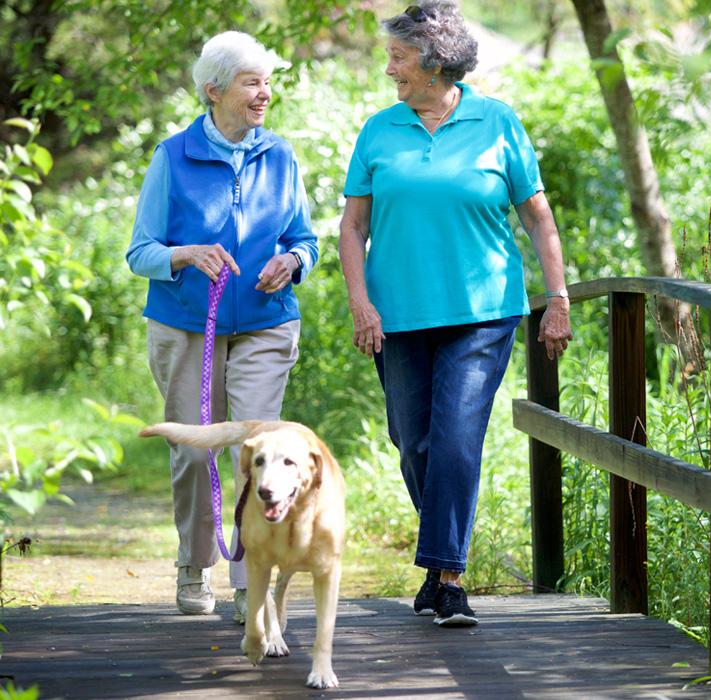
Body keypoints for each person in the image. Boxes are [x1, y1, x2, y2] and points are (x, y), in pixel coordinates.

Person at [339, 0, 572, 627]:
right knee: (412, 443)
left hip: (482, 310)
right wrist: (360, 302)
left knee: (455, 440)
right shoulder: (379, 131)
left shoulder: (498, 123)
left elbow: (538, 218)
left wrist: (558, 299)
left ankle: (447, 580)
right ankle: (438, 558)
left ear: (436, 64)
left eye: (398, 58)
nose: (390, 69)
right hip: (397, 314)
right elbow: (353, 225)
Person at [126, 31, 318, 623]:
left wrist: (293, 262)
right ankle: (193, 565)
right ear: (213, 90)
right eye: (251, 82)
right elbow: (141, 253)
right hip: (187, 326)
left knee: (257, 453)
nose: (264, 94)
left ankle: (249, 580)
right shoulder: (172, 157)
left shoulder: (280, 155)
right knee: (193, 450)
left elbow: (304, 239)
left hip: (266, 324)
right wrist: (185, 254)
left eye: (267, 82)